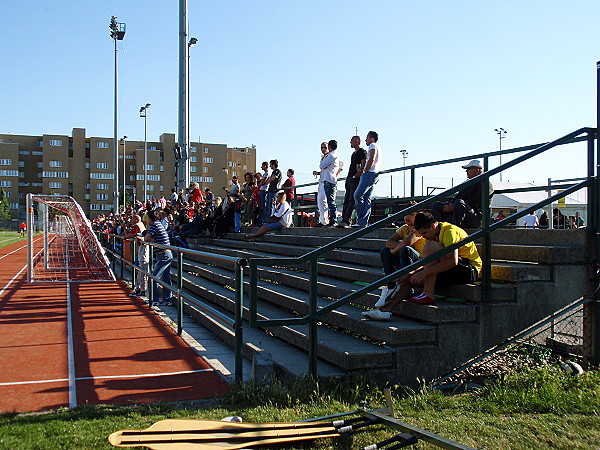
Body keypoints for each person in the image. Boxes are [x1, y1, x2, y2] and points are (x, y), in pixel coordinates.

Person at [363, 212, 481, 321]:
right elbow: (424, 261)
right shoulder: (429, 236)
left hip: (468, 269)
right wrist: (410, 273)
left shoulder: (449, 230)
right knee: (409, 278)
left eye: (424, 233)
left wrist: (425, 272)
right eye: (421, 234)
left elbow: (452, 261)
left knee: (430, 246)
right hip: (448, 270)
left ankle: (428, 293)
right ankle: (384, 311)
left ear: (433, 226)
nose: (423, 237)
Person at [375, 204, 426, 307]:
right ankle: (391, 286)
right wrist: (399, 246)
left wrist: (398, 248)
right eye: (406, 213)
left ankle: (406, 287)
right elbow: (388, 243)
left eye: (411, 214)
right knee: (385, 251)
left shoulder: (421, 228)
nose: (407, 216)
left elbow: (408, 242)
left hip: (420, 261)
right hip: (406, 259)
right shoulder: (405, 228)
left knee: (405, 250)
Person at [431, 159, 494, 229]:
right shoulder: (468, 183)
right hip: (464, 213)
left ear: (477, 170)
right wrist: (450, 204)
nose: (466, 171)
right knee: (436, 205)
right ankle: (441, 229)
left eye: (469, 169)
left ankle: (455, 231)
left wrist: (454, 206)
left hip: (478, 218)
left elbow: (474, 202)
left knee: (459, 203)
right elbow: (458, 197)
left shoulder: (486, 184)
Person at [144, 209, 174, 306]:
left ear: (150, 218)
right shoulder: (158, 224)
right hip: (166, 253)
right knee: (166, 278)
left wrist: (151, 239)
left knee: (153, 277)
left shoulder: (154, 225)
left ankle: (155, 299)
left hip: (163, 254)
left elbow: (147, 238)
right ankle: (167, 299)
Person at [354, 131, 382, 227]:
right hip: (374, 174)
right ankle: (363, 222)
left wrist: (365, 170)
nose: (365, 140)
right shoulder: (378, 147)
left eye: (367, 138)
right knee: (367, 198)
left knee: (357, 195)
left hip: (369, 174)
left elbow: (371, 159)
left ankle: (361, 220)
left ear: (371, 138)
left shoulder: (372, 146)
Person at [339, 136, 367, 228]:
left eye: (351, 141)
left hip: (355, 179)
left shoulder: (362, 152)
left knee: (352, 200)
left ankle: (347, 220)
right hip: (350, 178)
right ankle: (344, 219)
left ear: (357, 141)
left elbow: (363, 165)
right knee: (347, 199)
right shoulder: (354, 154)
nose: (350, 143)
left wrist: (356, 176)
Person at [314, 140, 341, 227]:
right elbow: (323, 167)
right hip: (323, 180)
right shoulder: (325, 157)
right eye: (321, 147)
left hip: (329, 180)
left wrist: (335, 174)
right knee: (321, 201)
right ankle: (323, 220)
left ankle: (333, 220)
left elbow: (322, 166)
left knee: (330, 201)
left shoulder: (332, 155)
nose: (323, 149)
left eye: (325, 147)